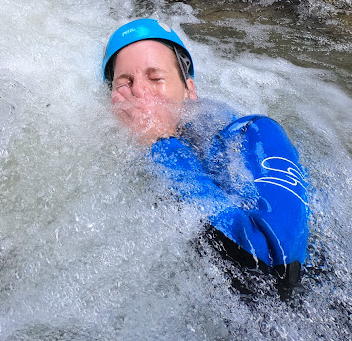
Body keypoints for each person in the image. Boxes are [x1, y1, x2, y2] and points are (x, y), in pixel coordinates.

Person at [103, 18, 310, 289]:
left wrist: (161, 143)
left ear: (190, 90)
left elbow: (276, 267)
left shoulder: (253, 132)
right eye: (124, 83)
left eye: (156, 78)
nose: (140, 92)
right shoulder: (116, 169)